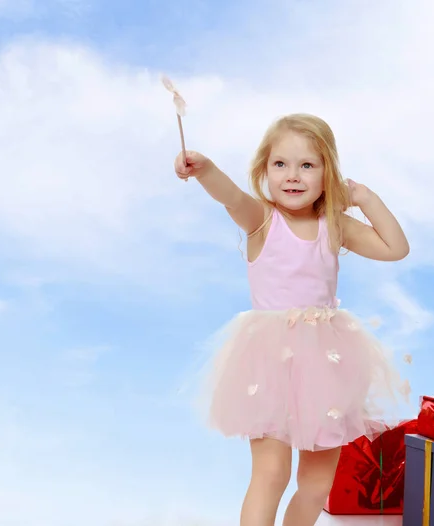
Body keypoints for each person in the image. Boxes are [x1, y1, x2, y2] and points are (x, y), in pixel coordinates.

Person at [173, 113, 410, 526]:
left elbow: (395, 248)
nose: (293, 176)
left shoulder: (333, 224)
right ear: (264, 170)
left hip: (326, 362)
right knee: (271, 473)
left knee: (318, 483)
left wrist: (366, 198)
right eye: (280, 164)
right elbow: (229, 196)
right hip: (270, 361)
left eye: (308, 165)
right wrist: (205, 169)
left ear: (326, 174)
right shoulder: (261, 220)